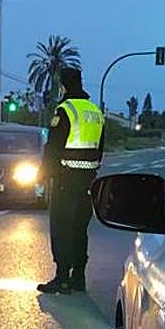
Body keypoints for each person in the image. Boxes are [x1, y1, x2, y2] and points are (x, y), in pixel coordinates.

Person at [37, 67, 105, 294]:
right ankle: (78, 277)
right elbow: (101, 147)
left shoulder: (65, 109)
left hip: (66, 178)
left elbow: (53, 147)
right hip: (87, 180)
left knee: (61, 227)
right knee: (79, 228)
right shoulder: (94, 111)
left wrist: (43, 173)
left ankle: (62, 278)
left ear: (63, 85)